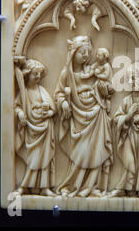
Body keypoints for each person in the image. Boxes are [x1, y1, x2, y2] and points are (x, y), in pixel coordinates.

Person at [55, 35, 113, 197]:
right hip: (78, 116)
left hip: (97, 113)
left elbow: (108, 88)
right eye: (82, 52)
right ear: (73, 53)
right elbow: (59, 93)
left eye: (88, 52)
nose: (86, 55)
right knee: (81, 152)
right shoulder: (66, 74)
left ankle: (91, 186)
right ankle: (74, 185)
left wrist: (104, 90)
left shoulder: (94, 70)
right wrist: (64, 103)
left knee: (97, 150)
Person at [14, 58, 56, 196]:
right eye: (35, 74)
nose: (38, 77)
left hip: (45, 128)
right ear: (27, 75)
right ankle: (24, 186)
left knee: (45, 159)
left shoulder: (42, 90)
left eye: (39, 74)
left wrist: (48, 113)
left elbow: (53, 109)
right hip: (32, 129)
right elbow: (17, 107)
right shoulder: (24, 92)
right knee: (33, 159)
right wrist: (20, 114)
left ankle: (45, 188)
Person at [109, 63, 139, 197]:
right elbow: (116, 118)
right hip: (130, 136)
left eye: (134, 78)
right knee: (131, 163)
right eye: (129, 79)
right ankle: (123, 188)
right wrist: (127, 117)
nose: (131, 82)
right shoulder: (127, 100)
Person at [92, 48, 115, 114]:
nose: (97, 56)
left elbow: (105, 76)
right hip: (103, 83)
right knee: (97, 83)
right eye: (97, 55)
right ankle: (99, 97)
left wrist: (97, 74)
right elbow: (92, 67)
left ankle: (106, 102)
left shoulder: (106, 66)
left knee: (99, 84)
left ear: (104, 57)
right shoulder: (99, 64)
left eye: (99, 55)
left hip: (108, 85)